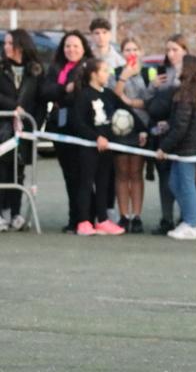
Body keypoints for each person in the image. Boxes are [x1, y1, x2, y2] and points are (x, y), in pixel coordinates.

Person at [70, 59, 136, 235]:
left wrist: (142, 131)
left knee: (104, 183)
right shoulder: (84, 95)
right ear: (94, 74)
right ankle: (83, 222)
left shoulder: (108, 94)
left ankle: (103, 220)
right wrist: (95, 137)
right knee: (86, 183)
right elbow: (78, 122)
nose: (108, 74)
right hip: (88, 148)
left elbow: (125, 112)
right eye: (104, 70)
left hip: (107, 148)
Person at [40, 30, 94, 233]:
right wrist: (63, 89)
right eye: (67, 46)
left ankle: (86, 217)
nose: (71, 50)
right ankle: (75, 218)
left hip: (80, 127)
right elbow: (45, 91)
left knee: (83, 175)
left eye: (76, 46)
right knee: (69, 175)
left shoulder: (88, 67)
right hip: (59, 125)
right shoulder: (56, 67)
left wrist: (62, 93)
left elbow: (80, 94)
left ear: (83, 48)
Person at [155, 55, 196, 240]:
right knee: (174, 183)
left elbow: (182, 126)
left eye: (181, 66)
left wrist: (164, 147)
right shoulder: (184, 92)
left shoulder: (187, 94)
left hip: (188, 149)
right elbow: (178, 122)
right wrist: (167, 125)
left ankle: (192, 223)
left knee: (186, 185)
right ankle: (190, 218)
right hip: (183, 149)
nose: (177, 69)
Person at [1, 29, 43, 232]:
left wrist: (35, 122)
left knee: (18, 171)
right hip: (3, 129)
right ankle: (2, 213)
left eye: (11, 43)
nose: (6, 47)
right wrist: (12, 107)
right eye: (5, 43)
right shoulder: (1, 68)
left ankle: (16, 212)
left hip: (24, 131)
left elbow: (40, 99)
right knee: (2, 170)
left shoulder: (35, 70)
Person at [146, 35, 188, 235]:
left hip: (182, 132)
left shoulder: (191, 74)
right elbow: (148, 103)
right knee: (164, 177)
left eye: (175, 50)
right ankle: (166, 218)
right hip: (160, 132)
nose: (171, 54)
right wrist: (153, 87)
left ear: (184, 51)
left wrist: (172, 122)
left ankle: (186, 217)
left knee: (182, 178)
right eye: (168, 50)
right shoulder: (162, 74)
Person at [112, 38, 152, 233]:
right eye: (127, 49)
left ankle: (136, 215)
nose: (131, 53)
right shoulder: (116, 72)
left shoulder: (148, 72)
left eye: (135, 49)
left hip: (141, 126)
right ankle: (123, 215)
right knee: (121, 172)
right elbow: (115, 95)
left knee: (136, 172)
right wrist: (124, 76)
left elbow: (150, 100)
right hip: (120, 127)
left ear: (141, 51)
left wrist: (145, 126)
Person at [89, 18, 125, 83]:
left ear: (110, 34)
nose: (101, 36)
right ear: (92, 35)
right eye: (97, 33)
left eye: (104, 32)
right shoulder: (86, 57)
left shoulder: (119, 61)